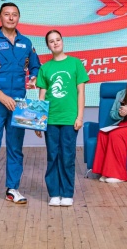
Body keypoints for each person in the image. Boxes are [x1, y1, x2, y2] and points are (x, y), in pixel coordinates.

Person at [0, 2, 41, 207]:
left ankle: (12, 189)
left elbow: (35, 65)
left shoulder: (26, 43)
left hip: (19, 103)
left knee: (15, 148)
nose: (11, 18)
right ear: (0, 17)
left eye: (14, 14)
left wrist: (34, 77)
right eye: (7, 14)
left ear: (18, 18)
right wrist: (1, 96)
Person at [35, 30, 89, 206]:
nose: (55, 43)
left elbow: (81, 92)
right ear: (48, 46)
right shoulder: (45, 68)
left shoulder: (75, 64)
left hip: (69, 119)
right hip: (50, 119)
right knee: (52, 156)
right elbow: (42, 96)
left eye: (58, 39)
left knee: (67, 156)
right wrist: (38, 121)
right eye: (51, 41)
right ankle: (54, 193)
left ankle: (67, 193)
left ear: (62, 41)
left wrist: (80, 117)